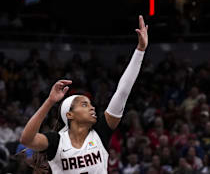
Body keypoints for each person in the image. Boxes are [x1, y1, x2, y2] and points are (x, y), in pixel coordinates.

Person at [19, 15, 149, 173]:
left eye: (90, 104)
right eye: (84, 104)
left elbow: (122, 92)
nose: (92, 108)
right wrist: (50, 101)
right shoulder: (57, 141)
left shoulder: (100, 133)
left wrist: (140, 50)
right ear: (70, 115)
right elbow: (27, 139)